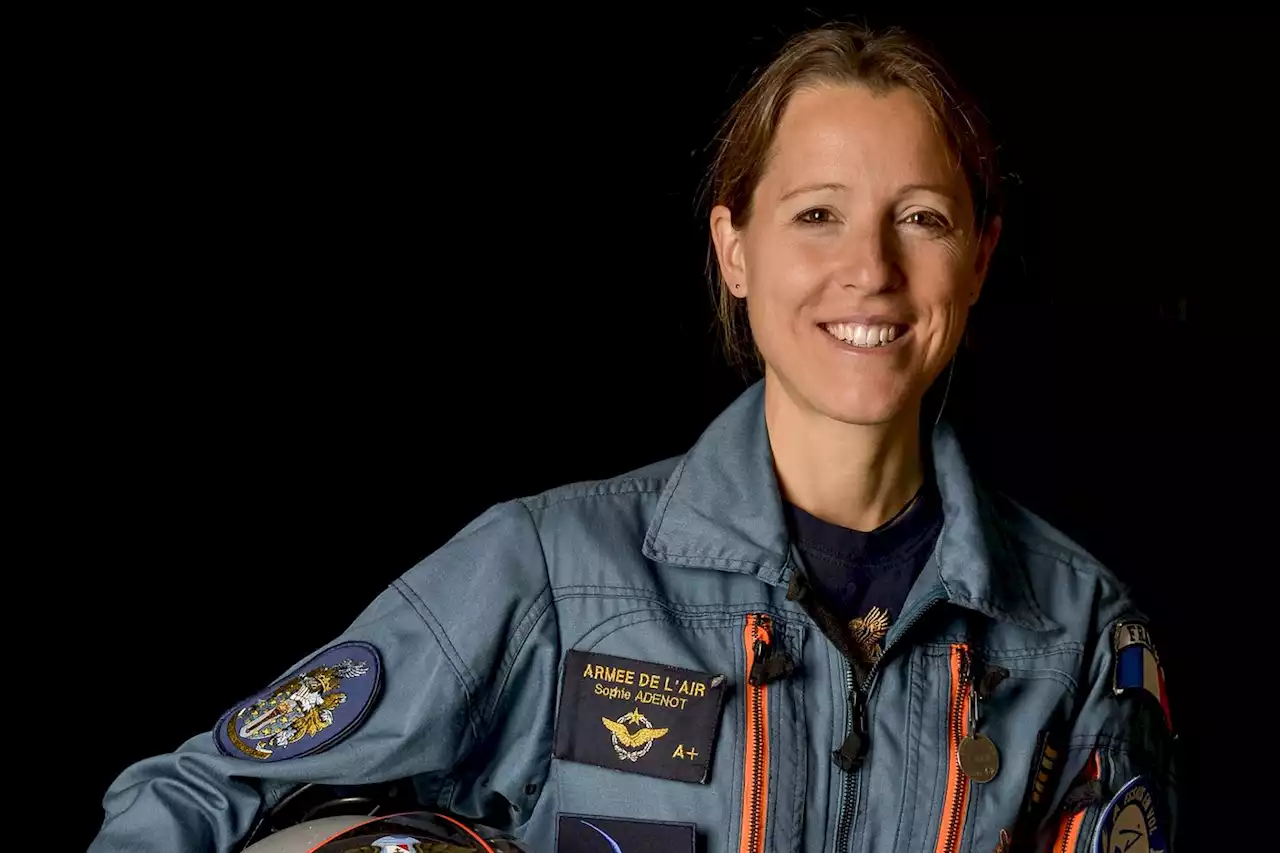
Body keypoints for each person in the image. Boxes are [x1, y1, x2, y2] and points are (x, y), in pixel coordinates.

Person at [90, 23, 1179, 853]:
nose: (870, 270)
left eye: (921, 218)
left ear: (977, 258)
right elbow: (189, 798)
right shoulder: (552, 571)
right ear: (733, 248)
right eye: (815, 214)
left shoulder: (1076, 633)